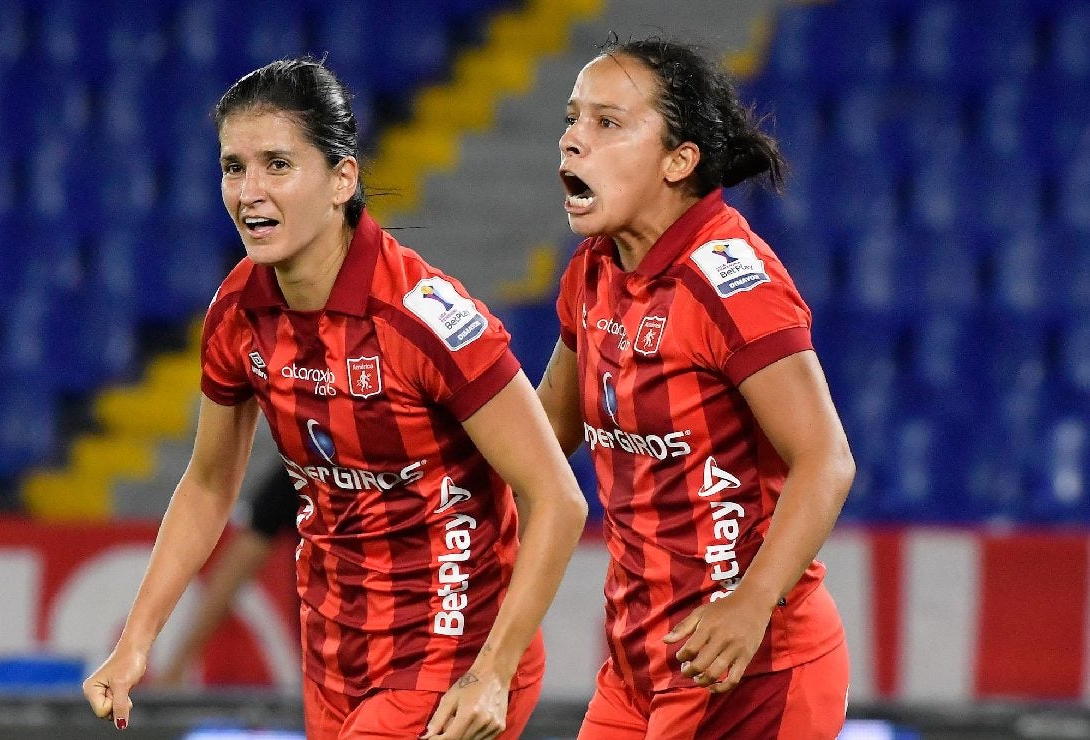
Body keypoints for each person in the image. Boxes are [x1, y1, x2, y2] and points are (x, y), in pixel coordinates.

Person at [82, 57, 588, 740]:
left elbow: (557, 497)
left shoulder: (422, 317)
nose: (249, 192)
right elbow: (208, 484)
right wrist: (137, 640)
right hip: (334, 660)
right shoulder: (236, 313)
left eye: (277, 165)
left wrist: (493, 670)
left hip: (452, 654)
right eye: (233, 167)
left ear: (342, 180)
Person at [536, 38, 855, 739]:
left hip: (750, 671)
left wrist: (751, 602)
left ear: (679, 161)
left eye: (607, 123)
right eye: (573, 118)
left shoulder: (730, 283)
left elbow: (826, 459)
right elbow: (543, 436)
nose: (572, 139)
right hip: (639, 667)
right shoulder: (592, 271)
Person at [152, 464, 297, 687]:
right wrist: (178, 663)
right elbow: (237, 567)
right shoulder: (305, 468)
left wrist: (179, 663)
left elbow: (237, 567)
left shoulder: (310, 465)